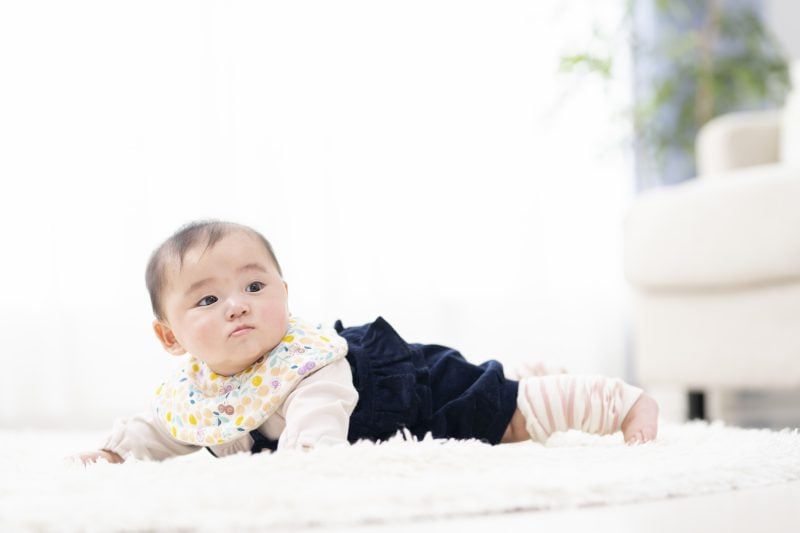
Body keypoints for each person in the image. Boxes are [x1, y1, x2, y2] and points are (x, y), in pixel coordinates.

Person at [76, 220, 658, 464]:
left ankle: (619, 401)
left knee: (508, 412)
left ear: (284, 293)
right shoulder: (200, 388)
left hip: (420, 397)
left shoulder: (309, 366)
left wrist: (306, 463)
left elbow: (317, 427)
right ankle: (531, 370)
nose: (237, 304)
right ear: (170, 336)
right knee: (509, 381)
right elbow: (167, 428)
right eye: (207, 300)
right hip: (384, 404)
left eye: (254, 286)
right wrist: (115, 453)